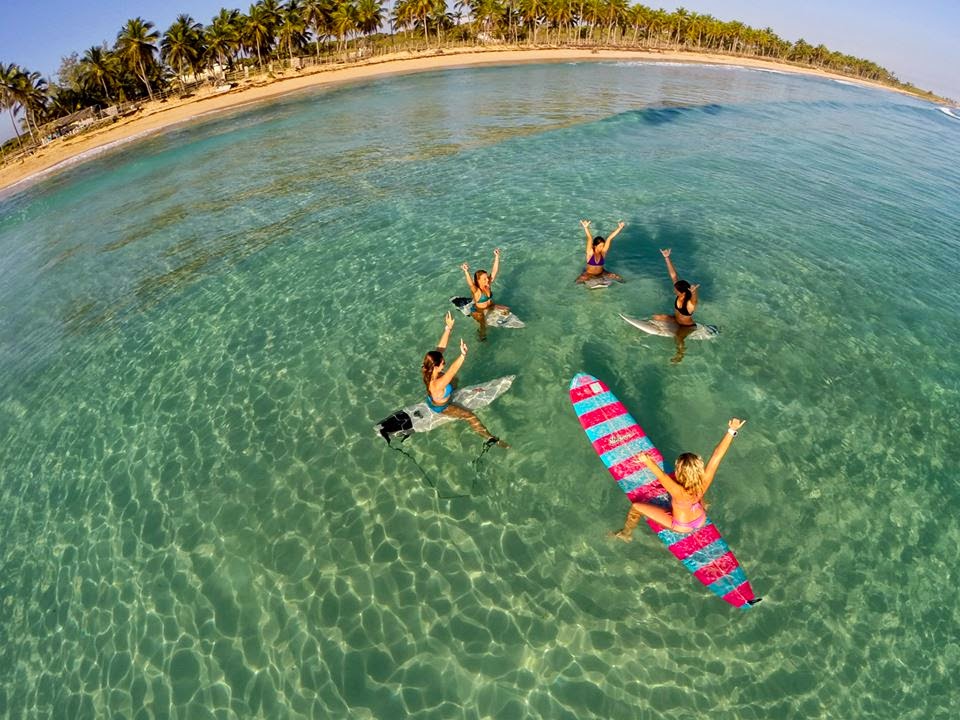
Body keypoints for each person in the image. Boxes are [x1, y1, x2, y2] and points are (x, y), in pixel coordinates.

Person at [612, 418, 746, 541]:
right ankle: (704, 505)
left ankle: (626, 533)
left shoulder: (677, 491)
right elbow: (717, 455)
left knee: (636, 506)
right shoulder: (704, 480)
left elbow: (662, 476)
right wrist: (732, 430)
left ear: (679, 471)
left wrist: (646, 460)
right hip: (700, 519)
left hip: (681, 526)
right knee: (695, 496)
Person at [422, 312, 508, 447]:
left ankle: (452, 396)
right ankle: (491, 439)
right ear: (436, 366)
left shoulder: (427, 369)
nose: (444, 363)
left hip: (436, 398)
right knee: (470, 416)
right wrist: (462, 355)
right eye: (443, 363)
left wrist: (448, 328)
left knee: (454, 379)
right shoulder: (437, 384)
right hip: (442, 407)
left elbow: (440, 349)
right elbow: (452, 370)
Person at [652, 248, 699, 363]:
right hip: (676, 319)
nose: (674, 289)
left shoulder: (689, 304)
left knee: (678, 339)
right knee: (656, 317)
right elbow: (673, 275)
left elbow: (695, 300)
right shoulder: (680, 292)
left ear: (682, 292)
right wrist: (667, 257)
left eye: (676, 289)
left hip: (687, 326)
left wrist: (694, 292)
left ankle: (680, 355)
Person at [461, 248, 508, 341]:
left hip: (491, 306)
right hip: (479, 311)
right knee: (484, 326)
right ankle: (481, 337)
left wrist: (497, 256)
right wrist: (466, 271)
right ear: (478, 280)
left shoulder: (487, 285)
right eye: (484, 279)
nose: (487, 279)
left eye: (487, 278)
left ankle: (497, 321)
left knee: (506, 309)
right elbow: (470, 284)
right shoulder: (476, 291)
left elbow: (494, 272)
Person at [575, 219, 625, 284]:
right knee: (577, 282)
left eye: (603, 246)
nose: (602, 248)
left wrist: (619, 228)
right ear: (595, 246)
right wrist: (586, 227)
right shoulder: (590, 252)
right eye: (600, 246)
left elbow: (609, 238)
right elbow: (589, 238)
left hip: (601, 273)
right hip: (589, 274)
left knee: (617, 277)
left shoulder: (603, 252)